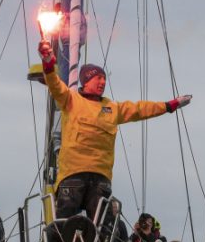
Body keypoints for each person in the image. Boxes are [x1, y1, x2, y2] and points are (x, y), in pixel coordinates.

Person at [36, 39, 192, 220]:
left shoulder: (113, 107)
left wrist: (169, 105)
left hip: (101, 177)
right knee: (64, 222)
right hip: (73, 174)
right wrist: (48, 62)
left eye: (104, 78)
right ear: (86, 80)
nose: (102, 82)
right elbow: (54, 85)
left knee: (104, 227)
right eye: (98, 78)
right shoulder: (71, 100)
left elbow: (140, 109)